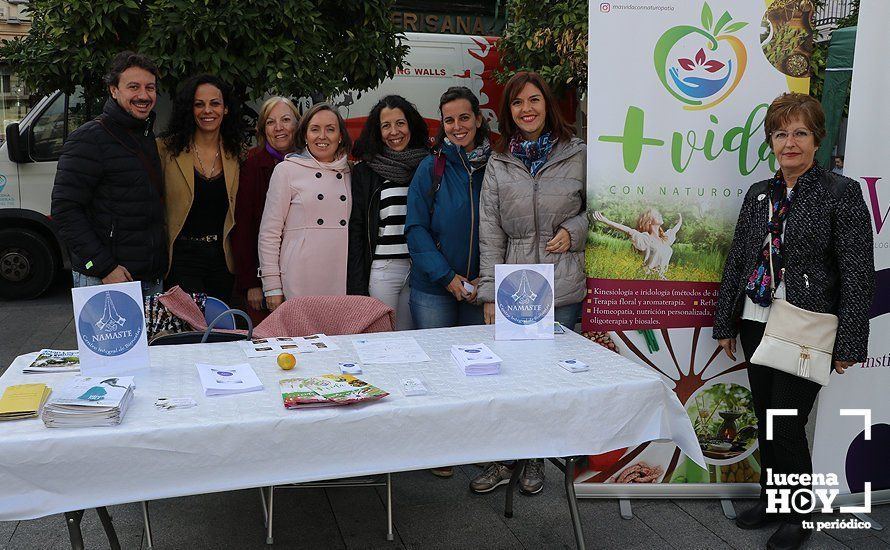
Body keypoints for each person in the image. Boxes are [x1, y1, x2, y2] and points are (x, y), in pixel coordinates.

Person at [713, 93, 874, 550]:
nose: (790, 142)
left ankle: (800, 515)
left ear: (817, 139)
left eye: (800, 132)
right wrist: (725, 321)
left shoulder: (840, 194)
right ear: (771, 140)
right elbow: (739, 259)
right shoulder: (759, 194)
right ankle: (773, 500)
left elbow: (857, 272)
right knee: (766, 417)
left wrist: (849, 343)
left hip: (805, 324)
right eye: (781, 133)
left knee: (786, 421)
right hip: (755, 319)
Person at [473, 71, 587, 496]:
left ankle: (535, 459)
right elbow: (490, 231)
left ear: (548, 104)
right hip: (516, 287)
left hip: (563, 281)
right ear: (508, 112)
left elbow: (598, 208)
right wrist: (488, 293)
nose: (527, 109)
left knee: (549, 377)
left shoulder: (577, 153)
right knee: (510, 376)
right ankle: (505, 458)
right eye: (518, 103)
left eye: (534, 100)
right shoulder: (499, 162)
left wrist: (574, 230)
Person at [51, 51, 167, 296]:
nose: (144, 96)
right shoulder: (89, 138)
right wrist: (104, 267)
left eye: (150, 87)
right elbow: (64, 210)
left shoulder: (146, 138)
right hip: (107, 280)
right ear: (114, 90)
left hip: (148, 277)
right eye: (133, 87)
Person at [405, 86, 490, 330]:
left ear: (478, 118)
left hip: (479, 288)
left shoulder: (496, 166)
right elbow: (416, 228)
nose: (457, 126)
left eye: (464, 117)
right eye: (449, 120)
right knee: (436, 362)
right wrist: (447, 277)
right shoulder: (431, 167)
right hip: (433, 288)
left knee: (478, 362)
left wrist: (486, 280)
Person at [347, 95, 429, 330]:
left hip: (421, 269)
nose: (394, 131)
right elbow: (358, 229)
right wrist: (357, 283)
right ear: (377, 131)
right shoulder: (367, 171)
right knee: (382, 338)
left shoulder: (427, 165)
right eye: (386, 125)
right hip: (384, 268)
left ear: (410, 125)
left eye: (400, 123)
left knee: (413, 337)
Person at [258, 104, 352, 309]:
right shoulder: (286, 170)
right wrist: (272, 285)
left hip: (341, 277)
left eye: (330, 129)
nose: (322, 136)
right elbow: (270, 233)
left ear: (340, 136)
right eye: (315, 129)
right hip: (298, 277)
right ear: (305, 135)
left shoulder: (351, 173)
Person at [159, 74, 243, 303]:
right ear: (190, 109)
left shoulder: (237, 154)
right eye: (199, 104)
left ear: (226, 109)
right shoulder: (166, 150)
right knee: (190, 334)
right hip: (181, 260)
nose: (208, 110)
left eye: (215, 103)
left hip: (222, 261)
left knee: (221, 332)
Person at [233, 97, 300, 323]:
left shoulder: (311, 163)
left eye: (285, 120)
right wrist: (251, 282)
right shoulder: (252, 166)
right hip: (264, 281)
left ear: (297, 125)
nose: (279, 128)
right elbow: (243, 228)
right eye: (271, 122)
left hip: (301, 275)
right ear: (263, 129)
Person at [592, 208, 682, 279]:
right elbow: (628, 230)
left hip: (661, 279)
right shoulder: (645, 238)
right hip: (647, 278)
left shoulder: (664, 239)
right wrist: (607, 221)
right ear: (649, 221)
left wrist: (680, 221)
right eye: (657, 215)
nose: (660, 215)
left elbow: (675, 230)